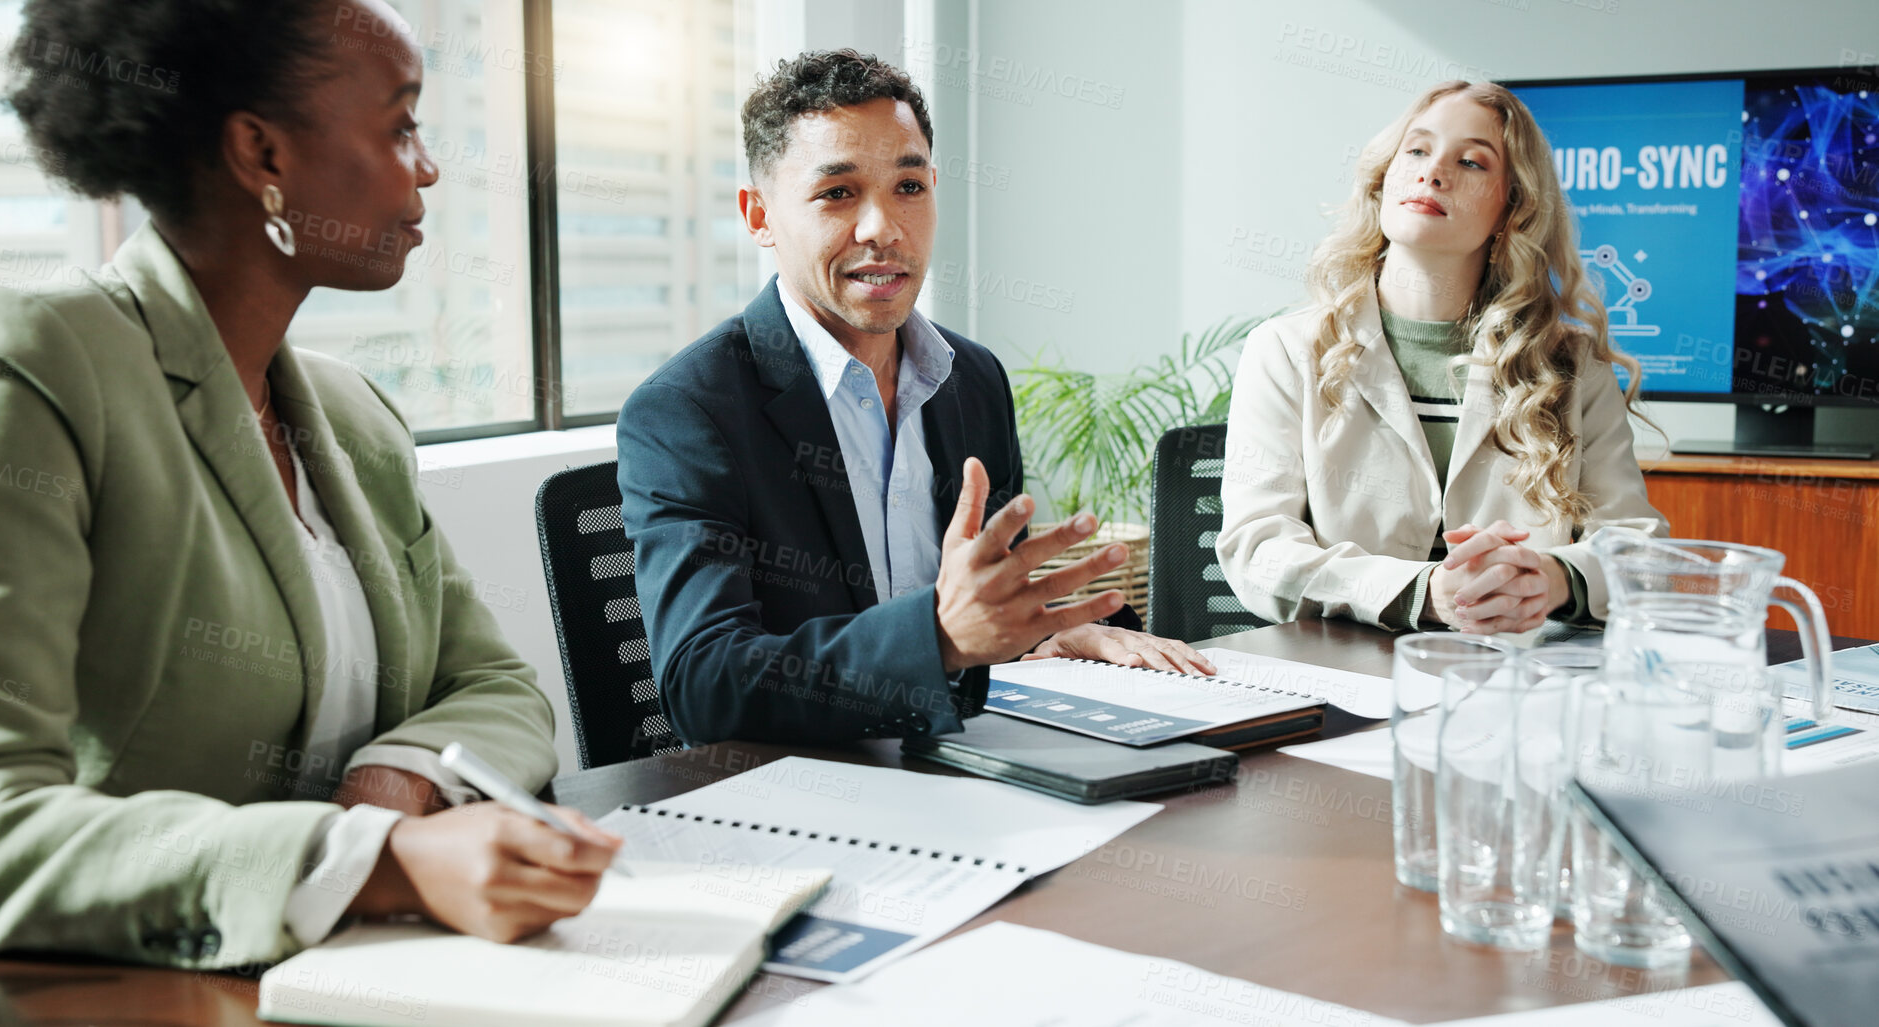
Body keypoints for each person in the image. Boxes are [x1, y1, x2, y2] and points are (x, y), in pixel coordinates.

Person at [0, 0, 618, 969]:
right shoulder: (34, 361)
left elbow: (494, 685)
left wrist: (396, 780)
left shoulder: (352, 415)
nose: (426, 168)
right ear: (262, 152)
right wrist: (376, 860)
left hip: (376, 972)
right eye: (401, 126)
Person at [618, 50, 1212, 746]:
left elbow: (982, 605)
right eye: (837, 192)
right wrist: (937, 637)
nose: (883, 228)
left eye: (907, 186)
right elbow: (705, 687)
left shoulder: (973, 378)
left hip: (962, 755)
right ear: (759, 216)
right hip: (811, 784)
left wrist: (1047, 633)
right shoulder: (688, 410)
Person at [1216, 81, 1667, 635]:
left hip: (1516, 669)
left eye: (1471, 162)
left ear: (1512, 210)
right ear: (1384, 179)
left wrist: (1551, 580)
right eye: (1417, 149)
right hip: (1345, 663)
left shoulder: (1573, 366)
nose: (1433, 173)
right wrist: (1421, 592)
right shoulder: (1286, 350)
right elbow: (1257, 548)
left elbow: (1638, 549)